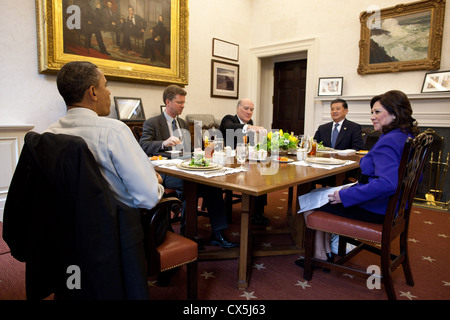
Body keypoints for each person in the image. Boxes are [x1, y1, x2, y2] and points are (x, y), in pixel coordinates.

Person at [295, 90, 420, 268]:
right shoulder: (405, 136)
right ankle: (326, 251)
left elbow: (387, 184)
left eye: (377, 112)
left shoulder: (389, 141)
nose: (372, 117)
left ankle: (320, 255)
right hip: (394, 206)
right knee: (319, 193)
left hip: (378, 208)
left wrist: (345, 196)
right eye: (372, 112)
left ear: (394, 113)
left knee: (309, 200)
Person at [46, 61, 164, 212]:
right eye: (106, 85)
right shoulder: (114, 131)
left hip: (66, 226)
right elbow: (148, 199)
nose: (108, 92)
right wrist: (156, 183)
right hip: (115, 228)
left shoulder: (48, 134)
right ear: (93, 92)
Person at [139, 84, 238, 249]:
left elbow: (187, 150)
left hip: (185, 165)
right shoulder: (153, 123)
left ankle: (218, 233)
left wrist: (199, 151)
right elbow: (143, 146)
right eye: (179, 102)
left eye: (184, 102)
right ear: (167, 102)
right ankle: (188, 233)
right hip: (165, 171)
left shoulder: (183, 123)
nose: (183, 105)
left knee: (212, 185)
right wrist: (164, 142)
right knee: (190, 184)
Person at [219, 98, 270, 226]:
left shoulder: (250, 123)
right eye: (246, 108)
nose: (249, 112)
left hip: (244, 162)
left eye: (252, 109)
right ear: (238, 109)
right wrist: (250, 127)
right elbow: (231, 127)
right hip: (228, 163)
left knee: (262, 175)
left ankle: (258, 213)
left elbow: (249, 145)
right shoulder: (228, 119)